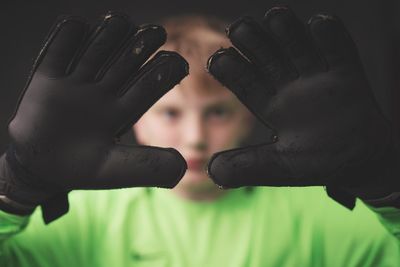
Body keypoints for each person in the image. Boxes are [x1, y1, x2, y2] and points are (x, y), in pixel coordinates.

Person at [1, 8, 400, 267]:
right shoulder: (84, 221)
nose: (195, 137)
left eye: (218, 112)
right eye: (171, 112)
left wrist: (388, 189)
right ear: (133, 115)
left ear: (251, 112)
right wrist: (15, 187)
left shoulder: (322, 218)